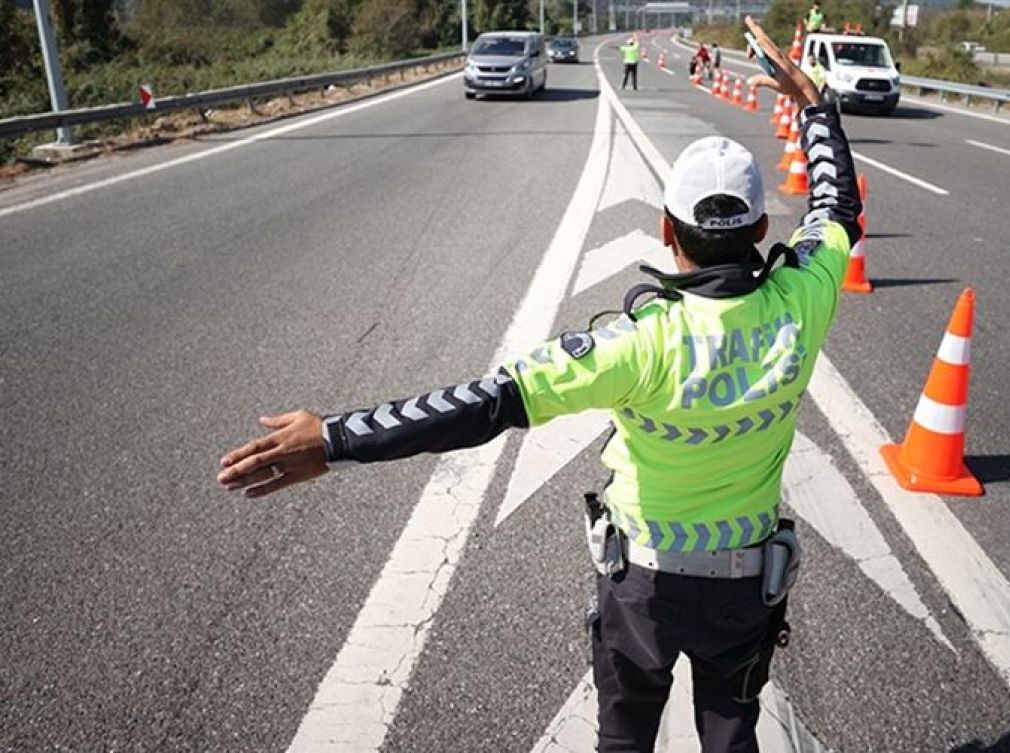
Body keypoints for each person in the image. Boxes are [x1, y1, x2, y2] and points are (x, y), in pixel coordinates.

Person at [216, 15, 861, 753]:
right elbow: (836, 207)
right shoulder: (804, 300)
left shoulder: (637, 346)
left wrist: (332, 440)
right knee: (732, 732)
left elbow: (480, 404)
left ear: (664, 229)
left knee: (623, 739)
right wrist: (814, 105)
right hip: (745, 587)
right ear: (756, 231)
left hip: (643, 588)